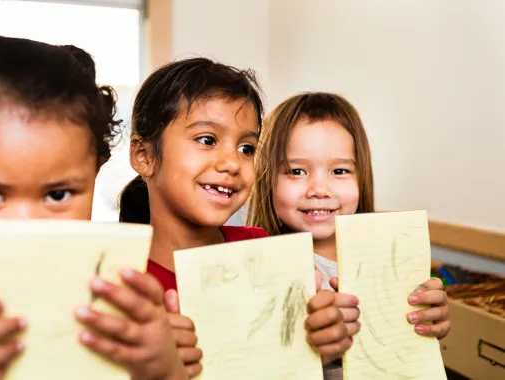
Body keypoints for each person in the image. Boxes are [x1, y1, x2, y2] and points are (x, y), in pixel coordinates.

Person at [0, 35, 187, 380]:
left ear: (95, 173)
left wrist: (164, 369)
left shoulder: (119, 305)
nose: (28, 225)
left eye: (57, 195)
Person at [119, 59, 355, 377]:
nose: (232, 162)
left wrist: (320, 346)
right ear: (144, 155)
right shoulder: (121, 285)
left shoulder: (260, 247)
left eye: (246, 148)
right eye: (207, 140)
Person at [247, 92, 452, 378]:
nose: (319, 189)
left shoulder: (389, 260)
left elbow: (408, 351)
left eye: (340, 170)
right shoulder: (258, 273)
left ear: (361, 176)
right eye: (296, 171)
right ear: (267, 178)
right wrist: (308, 351)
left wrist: (430, 326)